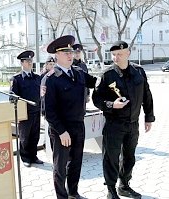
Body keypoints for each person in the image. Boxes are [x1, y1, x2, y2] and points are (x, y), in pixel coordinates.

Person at [92, 41, 155, 199]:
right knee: (111, 157)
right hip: (114, 124)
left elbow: (147, 95)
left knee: (129, 157)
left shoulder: (138, 72)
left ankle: (124, 185)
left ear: (128, 53)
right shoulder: (107, 75)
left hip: (133, 123)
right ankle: (111, 190)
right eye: (113, 54)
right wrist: (112, 104)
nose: (116, 57)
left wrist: (149, 117)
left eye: (119, 54)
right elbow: (96, 98)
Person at [44, 35, 97, 199]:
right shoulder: (50, 79)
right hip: (62, 130)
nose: (69, 55)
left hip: (78, 126)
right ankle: (62, 196)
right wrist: (61, 131)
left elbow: (96, 83)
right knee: (60, 167)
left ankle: (73, 192)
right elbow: (48, 112)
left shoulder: (79, 73)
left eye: (71, 51)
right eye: (65, 52)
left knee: (76, 163)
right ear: (57, 55)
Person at [10, 50, 43, 167]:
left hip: (36, 111)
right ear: (22, 63)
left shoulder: (37, 78)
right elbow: (12, 97)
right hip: (25, 113)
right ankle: (25, 157)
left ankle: (33, 156)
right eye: (27, 61)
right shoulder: (17, 79)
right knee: (24, 137)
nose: (30, 63)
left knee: (35, 135)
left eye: (31, 60)